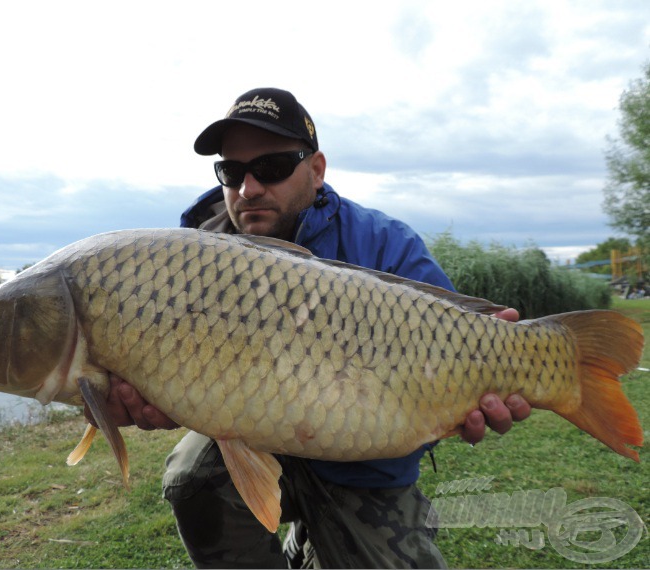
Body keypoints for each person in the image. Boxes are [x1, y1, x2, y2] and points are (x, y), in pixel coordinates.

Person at [86, 87, 531, 568]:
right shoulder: (192, 259)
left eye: (272, 168)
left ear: (316, 170)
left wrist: (498, 366)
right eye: (231, 173)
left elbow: (459, 338)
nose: (249, 188)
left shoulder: (385, 243)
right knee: (192, 476)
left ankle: (315, 537)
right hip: (251, 442)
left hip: (365, 466)